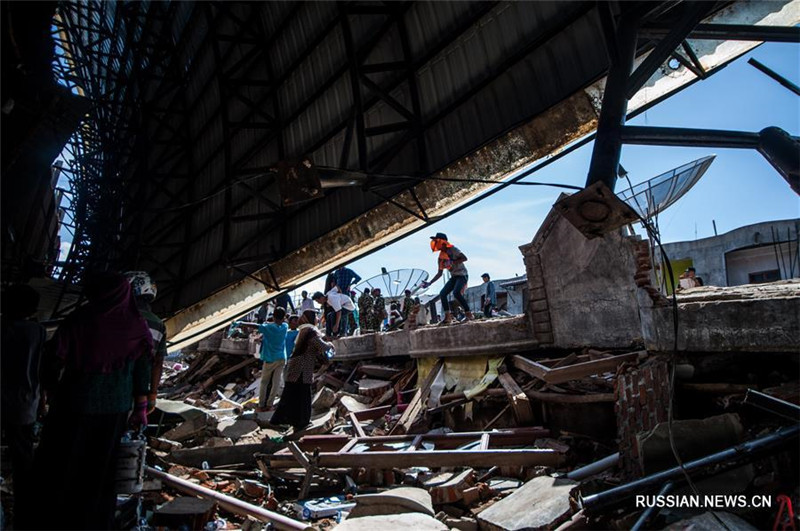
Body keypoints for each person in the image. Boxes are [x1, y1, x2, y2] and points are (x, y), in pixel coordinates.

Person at [35, 272, 153, 530]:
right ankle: (95, 520)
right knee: (101, 468)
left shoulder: (79, 319)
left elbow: (53, 360)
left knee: (64, 462)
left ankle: (55, 517)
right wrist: (141, 408)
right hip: (115, 408)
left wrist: (48, 393)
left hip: (72, 403)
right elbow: (142, 369)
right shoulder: (136, 326)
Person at [1, 285, 46, 529]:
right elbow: (41, 371)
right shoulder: (37, 331)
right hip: (23, 403)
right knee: (22, 458)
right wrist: (43, 402)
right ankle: (24, 511)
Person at [270, 310, 334, 431]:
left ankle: (282, 420)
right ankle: (302, 422)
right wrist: (330, 344)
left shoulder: (303, 330)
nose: (316, 318)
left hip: (296, 366)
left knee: (291, 394)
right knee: (303, 396)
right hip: (302, 368)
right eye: (315, 316)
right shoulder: (311, 331)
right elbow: (321, 346)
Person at [125, 271, 167, 413]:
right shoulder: (158, 324)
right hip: (136, 392)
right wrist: (152, 395)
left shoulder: (117, 315)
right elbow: (157, 363)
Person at [236, 307, 288, 411]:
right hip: (282, 357)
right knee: (276, 382)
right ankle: (270, 404)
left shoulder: (269, 327)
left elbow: (255, 326)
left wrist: (241, 323)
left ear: (273, 316)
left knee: (264, 382)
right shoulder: (285, 326)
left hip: (270, 358)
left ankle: (261, 404)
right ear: (283, 317)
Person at [421, 232, 473, 325]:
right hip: (454, 277)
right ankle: (448, 317)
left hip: (462, 275)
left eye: (437, 241)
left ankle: (469, 314)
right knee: (443, 293)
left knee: (456, 292)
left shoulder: (453, 249)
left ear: (442, 242)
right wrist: (430, 282)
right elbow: (439, 273)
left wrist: (452, 262)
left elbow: (465, 258)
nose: (435, 243)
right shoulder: (441, 257)